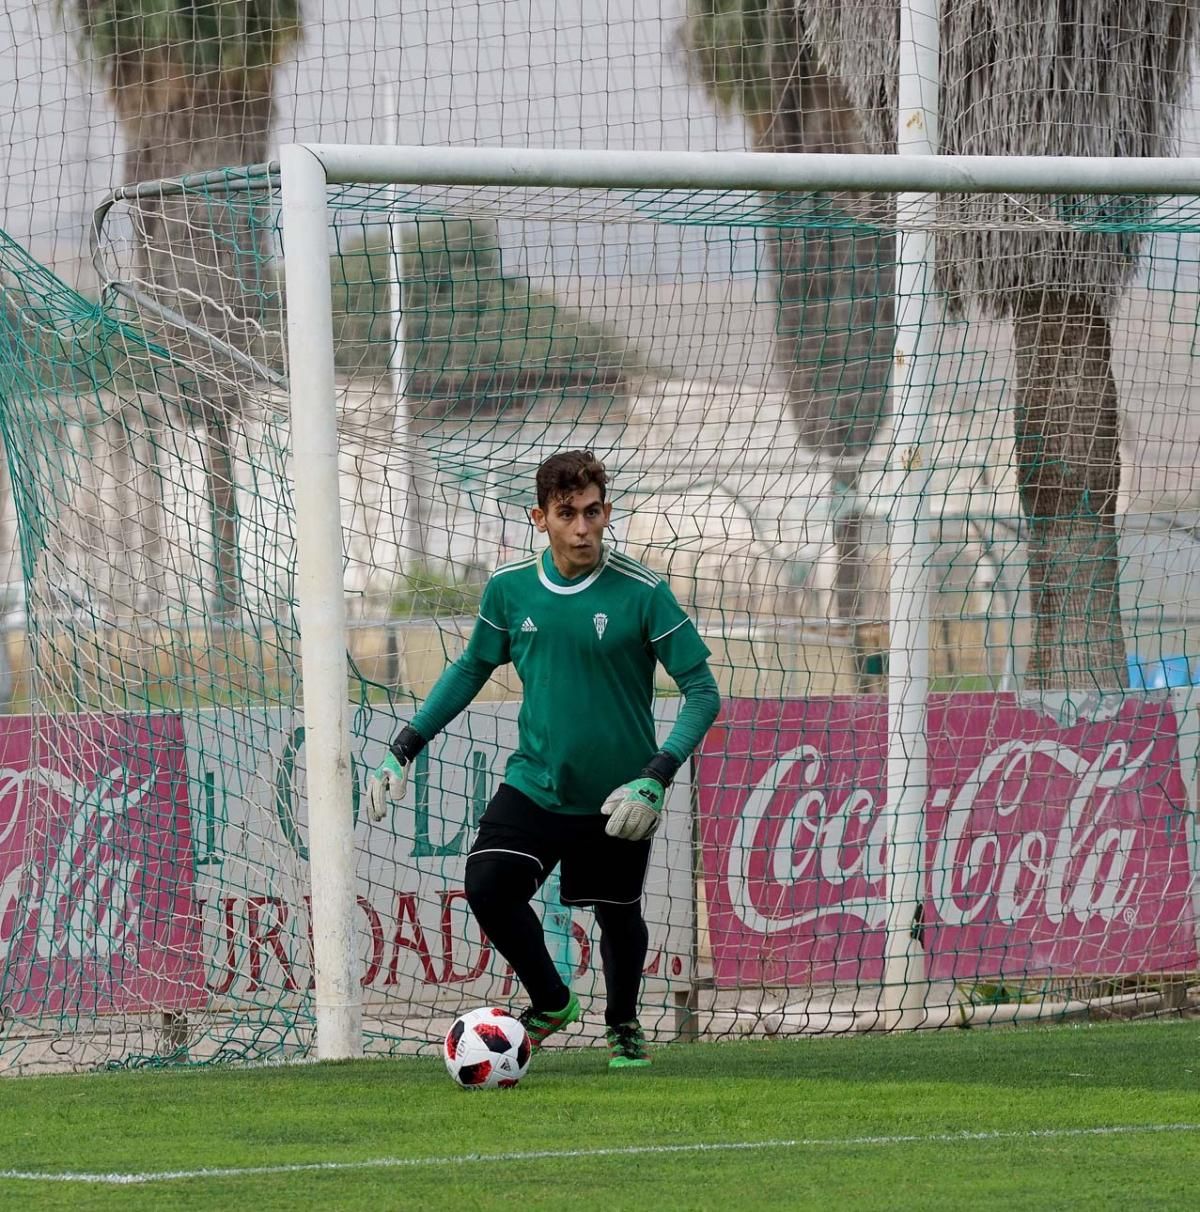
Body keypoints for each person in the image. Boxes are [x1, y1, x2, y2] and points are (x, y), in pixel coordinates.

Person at [366, 450, 720, 1068]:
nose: (583, 527)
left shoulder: (643, 593)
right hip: (535, 783)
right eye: (568, 514)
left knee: (618, 914)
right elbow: (471, 667)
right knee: (488, 884)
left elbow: (703, 692)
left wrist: (656, 776)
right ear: (540, 518)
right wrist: (406, 744)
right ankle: (553, 1002)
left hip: (620, 794)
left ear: (606, 511)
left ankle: (623, 1023)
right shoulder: (510, 591)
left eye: (593, 512)